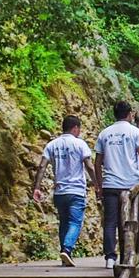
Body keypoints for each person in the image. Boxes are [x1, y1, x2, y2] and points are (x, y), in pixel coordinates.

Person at [94, 99, 139, 268]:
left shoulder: (105, 133)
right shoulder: (135, 133)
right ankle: (131, 254)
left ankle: (110, 258)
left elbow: (98, 162)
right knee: (133, 221)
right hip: (131, 185)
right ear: (130, 114)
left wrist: (99, 184)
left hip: (110, 184)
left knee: (110, 222)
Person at [30, 114, 94, 267]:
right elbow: (89, 166)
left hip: (59, 192)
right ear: (75, 128)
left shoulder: (52, 145)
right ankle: (67, 248)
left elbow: (42, 166)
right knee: (75, 222)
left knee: (64, 222)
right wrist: (98, 184)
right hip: (76, 190)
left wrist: (37, 188)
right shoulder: (80, 144)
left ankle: (65, 255)